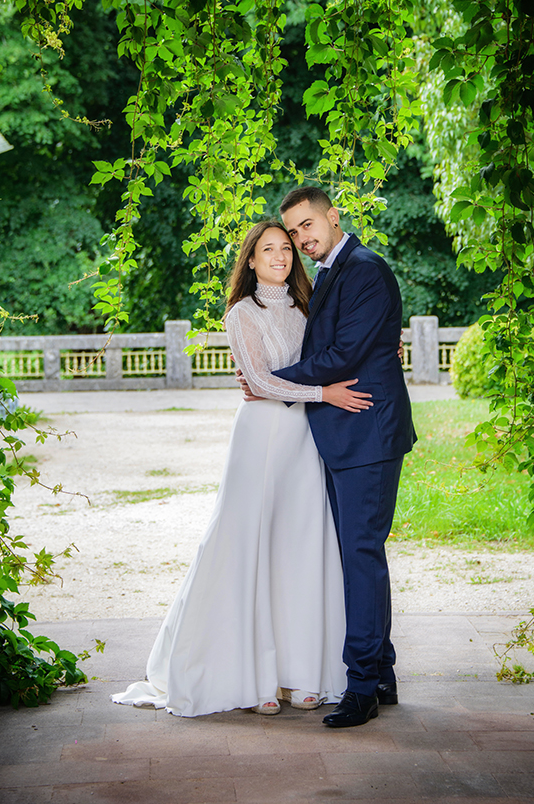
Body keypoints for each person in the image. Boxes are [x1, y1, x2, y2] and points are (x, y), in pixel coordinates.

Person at [111, 221, 371, 717]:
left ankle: (301, 672)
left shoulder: (309, 306)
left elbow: (345, 346)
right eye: (267, 249)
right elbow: (259, 382)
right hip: (261, 439)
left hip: (304, 439)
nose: (279, 256)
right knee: (249, 546)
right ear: (250, 260)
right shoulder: (241, 313)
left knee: (300, 549)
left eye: (286, 248)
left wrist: (385, 346)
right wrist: (323, 393)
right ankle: (255, 678)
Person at [267, 187, 417, 727]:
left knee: (360, 556)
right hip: (347, 437)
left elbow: (343, 354)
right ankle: (382, 673)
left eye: (307, 225)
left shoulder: (364, 270)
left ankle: (361, 689)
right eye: (294, 232)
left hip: (367, 435)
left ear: (332, 216)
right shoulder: (332, 271)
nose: (301, 239)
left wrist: (268, 380)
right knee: (361, 556)